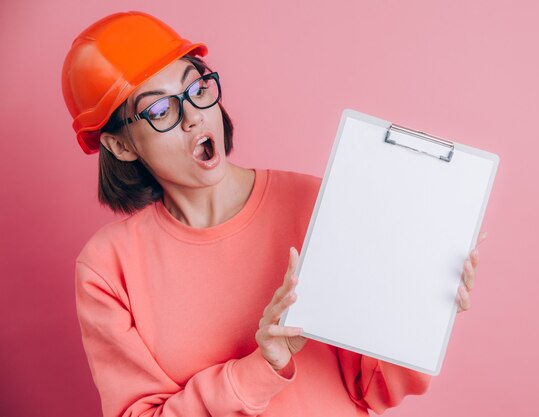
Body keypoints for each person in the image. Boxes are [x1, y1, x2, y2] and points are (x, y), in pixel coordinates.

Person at [62, 11, 486, 417]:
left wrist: (421, 314)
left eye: (197, 89)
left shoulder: (315, 202)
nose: (193, 116)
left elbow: (374, 388)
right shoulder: (107, 268)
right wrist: (259, 368)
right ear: (120, 146)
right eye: (159, 110)